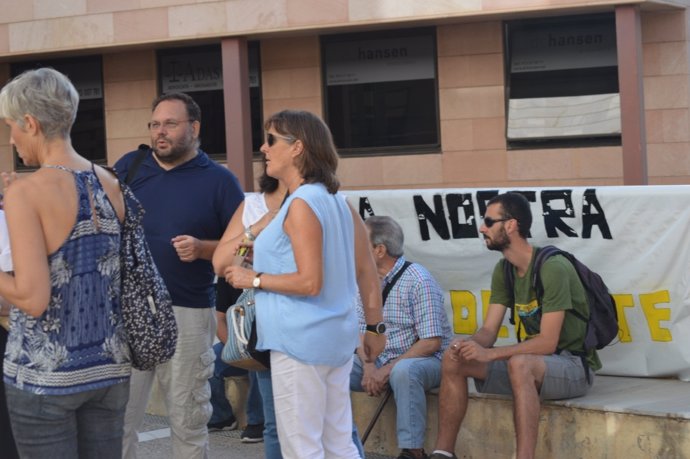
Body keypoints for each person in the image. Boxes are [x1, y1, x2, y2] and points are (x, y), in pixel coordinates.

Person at [221, 110, 385, 458]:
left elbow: (310, 282)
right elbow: (367, 271)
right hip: (332, 340)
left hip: (300, 342)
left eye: (270, 140)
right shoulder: (336, 202)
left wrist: (255, 279)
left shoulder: (302, 204)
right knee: (337, 443)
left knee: (303, 447)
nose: (263, 148)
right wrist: (374, 324)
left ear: (297, 148)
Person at [0, 68, 130, 458]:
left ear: (31, 123)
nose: (10, 138)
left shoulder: (29, 192)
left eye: (11, 127)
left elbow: (32, 297)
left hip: (45, 375)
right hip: (109, 368)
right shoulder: (109, 181)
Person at [114, 92, 244, 459]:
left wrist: (204, 248)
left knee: (187, 421)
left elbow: (247, 247)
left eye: (170, 123)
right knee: (119, 420)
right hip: (129, 311)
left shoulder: (220, 181)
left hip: (186, 312)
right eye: (155, 124)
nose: (160, 132)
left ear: (194, 127)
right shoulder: (129, 167)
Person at [429, 192, 601, 459]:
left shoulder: (553, 267)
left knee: (520, 363)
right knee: (454, 359)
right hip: (534, 365)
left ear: (511, 225)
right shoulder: (504, 270)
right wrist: (468, 345)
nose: (481, 228)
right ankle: (442, 453)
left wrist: (491, 353)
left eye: (488, 221)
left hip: (573, 366)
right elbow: (488, 332)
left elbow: (547, 342)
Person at [351, 216, 452, 459]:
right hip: (377, 358)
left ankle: (413, 451)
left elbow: (431, 342)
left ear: (379, 250)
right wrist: (367, 367)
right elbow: (360, 331)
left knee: (404, 371)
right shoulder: (363, 281)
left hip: (425, 359)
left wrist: (385, 369)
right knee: (333, 364)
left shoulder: (418, 279)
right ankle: (337, 443)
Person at [213, 165, 289, 459]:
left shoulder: (323, 200)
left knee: (330, 424)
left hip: (310, 328)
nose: (265, 149)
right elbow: (224, 264)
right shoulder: (254, 205)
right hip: (265, 328)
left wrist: (373, 325)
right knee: (274, 426)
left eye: (273, 141)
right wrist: (258, 227)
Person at [207, 277, 265, 443]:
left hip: (263, 344)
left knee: (257, 364)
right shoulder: (229, 277)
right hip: (237, 342)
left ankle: (257, 422)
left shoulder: (266, 273)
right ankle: (221, 417)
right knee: (209, 360)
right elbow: (218, 319)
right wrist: (235, 348)